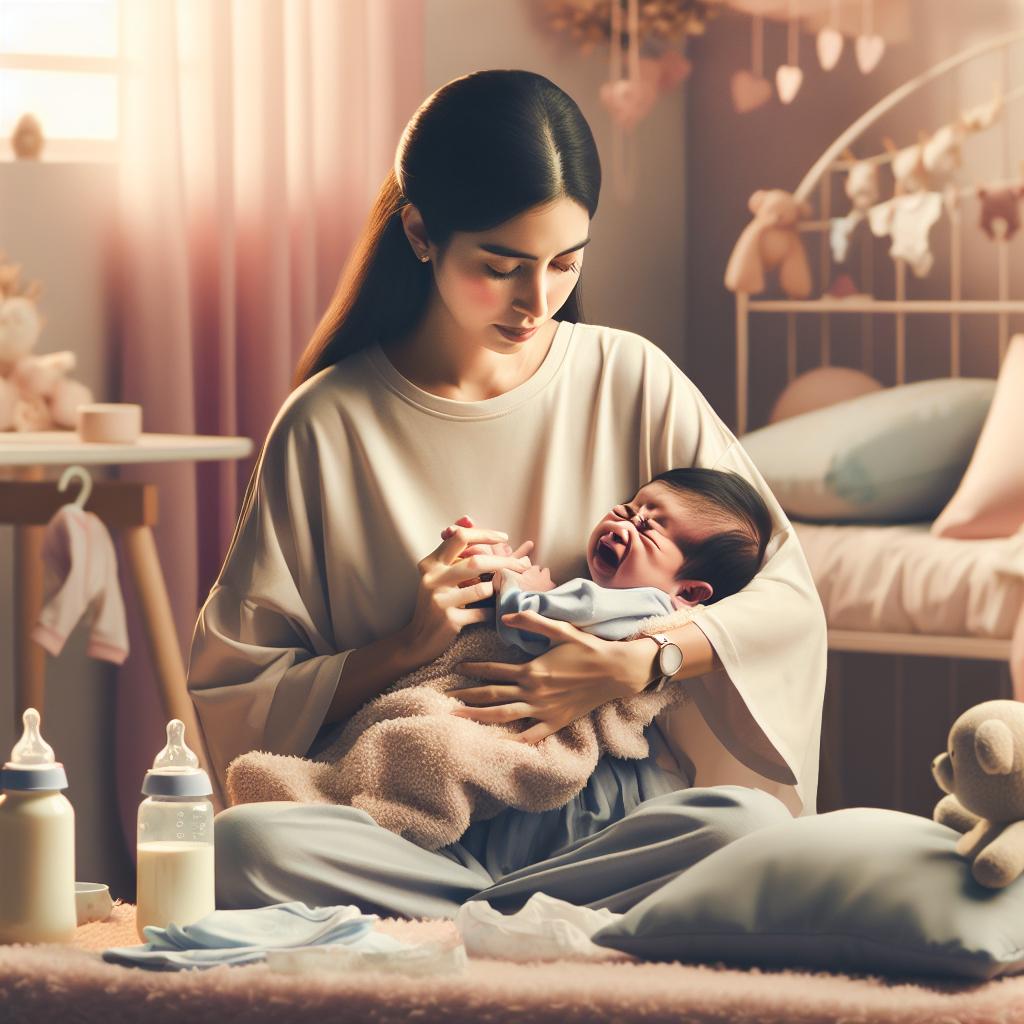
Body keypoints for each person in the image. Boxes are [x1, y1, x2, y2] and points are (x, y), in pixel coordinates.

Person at [188, 69, 827, 918]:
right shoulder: (327, 423)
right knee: (241, 845)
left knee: (742, 828)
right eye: (502, 266)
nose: (537, 301)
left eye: (566, 263)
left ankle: (473, 928)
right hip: (415, 836)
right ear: (420, 233)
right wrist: (406, 645)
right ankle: (530, 926)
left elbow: (787, 599)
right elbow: (239, 703)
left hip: (606, 831)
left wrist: (636, 660)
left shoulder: (628, 377)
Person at [221, 467, 775, 851]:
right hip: (507, 747)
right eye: (629, 509)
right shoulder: (626, 603)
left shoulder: (649, 609)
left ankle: (375, 817)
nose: (625, 524)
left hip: (555, 759)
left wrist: (513, 581)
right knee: (411, 727)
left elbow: (535, 622)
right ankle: (352, 810)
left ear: (693, 592)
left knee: (432, 744)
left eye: (651, 528)